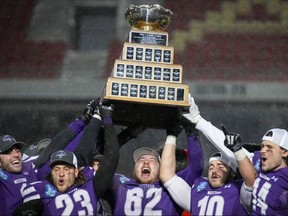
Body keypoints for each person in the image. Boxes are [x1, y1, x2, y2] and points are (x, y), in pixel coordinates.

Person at [13, 102, 119, 215]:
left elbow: (111, 159)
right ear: (51, 173)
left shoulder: (91, 186)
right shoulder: (43, 189)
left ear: (76, 171)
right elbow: (28, 208)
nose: (61, 173)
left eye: (66, 169)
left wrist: (106, 118)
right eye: (56, 169)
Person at [0, 100, 96, 215]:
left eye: (16, 150)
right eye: (7, 152)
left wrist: (86, 120)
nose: (15, 154)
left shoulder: (29, 165)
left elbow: (56, 147)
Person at [102, 113, 204, 215]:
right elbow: (100, 162)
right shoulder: (119, 185)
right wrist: (127, 134)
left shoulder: (172, 187)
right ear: (134, 170)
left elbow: (196, 167)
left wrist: (191, 129)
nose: (146, 162)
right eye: (141, 160)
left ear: (161, 170)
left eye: (152, 160)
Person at [159, 128, 255, 216]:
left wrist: (238, 152)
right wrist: (172, 136)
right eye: (211, 167)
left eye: (220, 166)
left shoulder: (240, 191)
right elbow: (166, 176)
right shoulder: (199, 188)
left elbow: (252, 179)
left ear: (233, 173)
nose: (214, 170)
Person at [233, 128, 288, 215]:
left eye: (269, 147)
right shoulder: (258, 162)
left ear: (284, 152)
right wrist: (202, 122)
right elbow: (235, 153)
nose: (262, 150)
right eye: (262, 146)